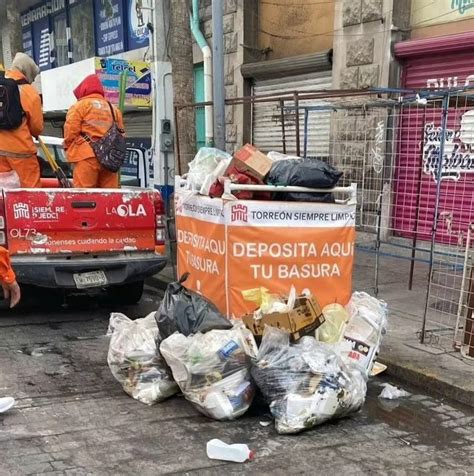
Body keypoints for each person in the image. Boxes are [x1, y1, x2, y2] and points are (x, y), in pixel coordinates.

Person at [64, 74, 125, 188]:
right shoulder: (114, 109)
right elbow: (121, 134)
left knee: (84, 197)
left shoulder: (79, 106)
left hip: (86, 156)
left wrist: (68, 149)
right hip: (109, 158)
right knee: (109, 196)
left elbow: (70, 132)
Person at [0, 53, 43, 188]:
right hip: (21, 151)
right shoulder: (29, 91)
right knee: (31, 192)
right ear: (27, 71)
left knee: (4, 192)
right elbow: (37, 127)